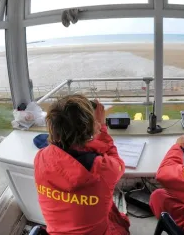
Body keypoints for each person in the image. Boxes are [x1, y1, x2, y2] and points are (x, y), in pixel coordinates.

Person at [34, 95, 130, 235]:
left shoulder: (41, 158)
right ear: (91, 127)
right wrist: (102, 128)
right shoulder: (101, 168)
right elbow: (118, 163)